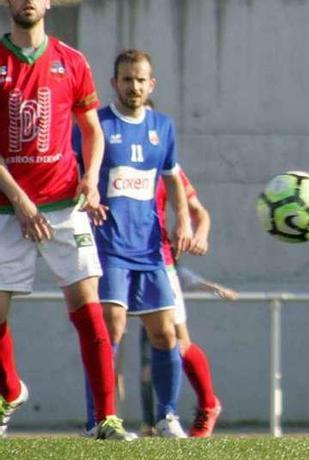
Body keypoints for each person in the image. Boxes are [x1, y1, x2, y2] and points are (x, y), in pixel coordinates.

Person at [0, 0, 132, 440]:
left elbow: (91, 129)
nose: (27, 2)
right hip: (7, 208)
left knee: (89, 305)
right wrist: (20, 202)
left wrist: (91, 180)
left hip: (62, 204)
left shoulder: (71, 60)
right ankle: (11, 391)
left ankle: (105, 419)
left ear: (48, 2)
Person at [73, 48, 193, 438]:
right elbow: (73, 170)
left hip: (151, 247)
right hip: (108, 246)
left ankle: (167, 416)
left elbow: (173, 177)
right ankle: (99, 421)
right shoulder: (97, 125)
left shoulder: (163, 126)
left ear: (151, 84)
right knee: (110, 328)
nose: (134, 86)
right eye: (127, 79)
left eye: (141, 79)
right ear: (114, 83)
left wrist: (184, 221)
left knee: (166, 333)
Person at [139, 261, 238, 437]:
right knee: (147, 371)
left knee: (180, 346)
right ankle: (140, 423)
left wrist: (217, 290)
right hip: (118, 258)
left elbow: (187, 277)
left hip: (157, 265)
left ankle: (207, 405)